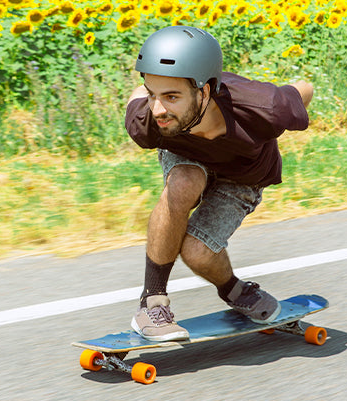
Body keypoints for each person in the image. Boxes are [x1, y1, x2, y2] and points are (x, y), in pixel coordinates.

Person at [125, 26, 313, 341]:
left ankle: (235, 290)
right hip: (186, 157)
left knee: (197, 251)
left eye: (171, 96)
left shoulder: (266, 107)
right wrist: (153, 94)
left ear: (204, 92)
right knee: (184, 181)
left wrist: (293, 111)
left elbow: (303, 88)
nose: (158, 109)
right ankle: (152, 304)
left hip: (244, 174)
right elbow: (136, 99)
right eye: (152, 94)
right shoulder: (148, 122)